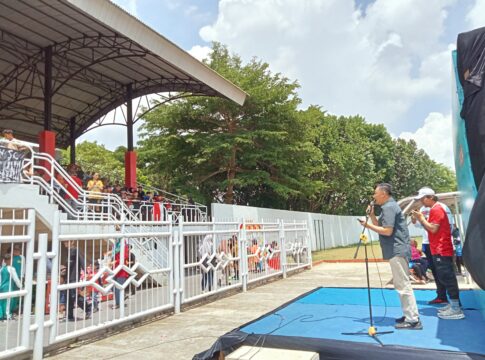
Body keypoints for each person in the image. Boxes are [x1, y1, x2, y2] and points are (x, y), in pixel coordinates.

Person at [359, 183, 422, 330]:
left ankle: (412, 320)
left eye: (375, 193)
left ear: (383, 194)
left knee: (403, 284)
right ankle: (409, 315)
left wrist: (367, 226)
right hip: (397, 250)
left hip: (397, 250)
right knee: (401, 284)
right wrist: (371, 216)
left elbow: (387, 231)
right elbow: (380, 225)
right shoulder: (389, 207)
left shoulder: (389, 207)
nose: (374, 196)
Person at [412, 187, 464, 320]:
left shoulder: (437, 208)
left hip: (442, 248)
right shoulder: (437, 208)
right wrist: (421, 219)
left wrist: (421, 218)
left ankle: (456, 308)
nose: (422, 202)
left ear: (430, 197)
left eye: (423, 199)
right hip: (438, 248)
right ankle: (453, 304)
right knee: (444, 277)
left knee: (447, 278)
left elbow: (433, 229)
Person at [64, 240, 91, 321]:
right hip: (67, 278)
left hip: (74, 277)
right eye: (64, 242)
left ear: (72, 242)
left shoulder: (76, 250)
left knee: (74, 295)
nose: (65, 243)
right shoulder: (67, 252)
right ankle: (70, 316)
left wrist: (85, 272)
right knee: (68, 297)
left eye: (67, 242)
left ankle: (88, 308)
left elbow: (81, 260)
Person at [0, 254, 22, 321]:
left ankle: (2, 315)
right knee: (8, 302)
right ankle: (7, 315)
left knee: (2, 302)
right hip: (8, 287)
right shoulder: (12, 269)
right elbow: (16, 279)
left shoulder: (1, 269)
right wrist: (21, 286)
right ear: (9, 260)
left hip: (2, 287)